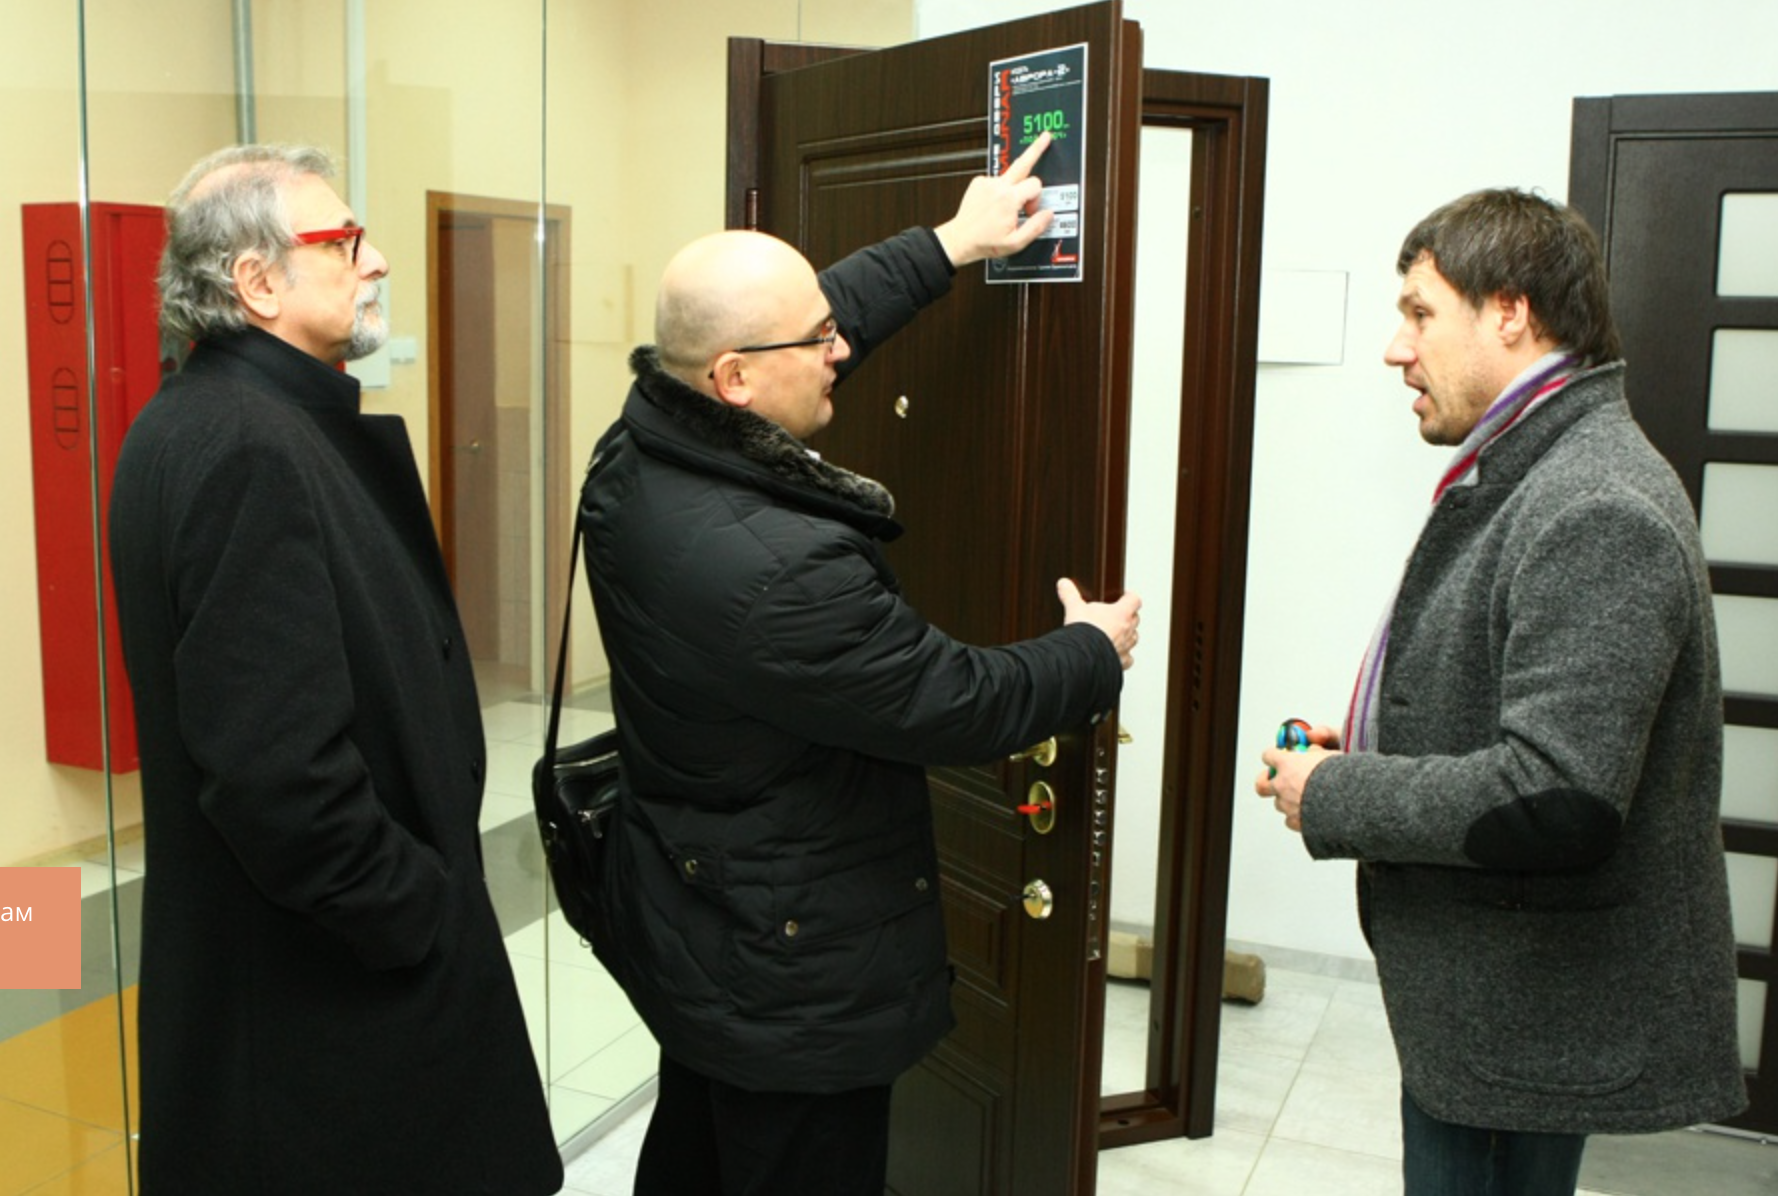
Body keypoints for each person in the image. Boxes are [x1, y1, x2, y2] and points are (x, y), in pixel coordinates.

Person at [579, 133, 1140, 1196]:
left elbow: (809, 316)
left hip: (701, 921)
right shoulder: (779, 570)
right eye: (819, 339)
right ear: (735, 378)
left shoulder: (639, 444)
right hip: (791, 965)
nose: (839, 346)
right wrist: (1088, 651)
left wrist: (951, 243)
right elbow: (955, 701)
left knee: (698, 1153)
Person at [1258, 188, 1747, 1194]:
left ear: (1511, 313)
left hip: (1522, 1020)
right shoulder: (1542, 464)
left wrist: (1337, 792)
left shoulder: (1594, 502)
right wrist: (1369, 741)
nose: (1396, 348)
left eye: (1419, 312)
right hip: (1500, 1007)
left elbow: (1556, 795)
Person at [109, 145, 563, 1195]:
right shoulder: (248, 446)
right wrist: (416, 912)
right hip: (325, 1004)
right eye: (344, 241)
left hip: (300, 985)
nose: (377, 260)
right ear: (256, 281)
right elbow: (276, 776)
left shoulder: (212, 418)